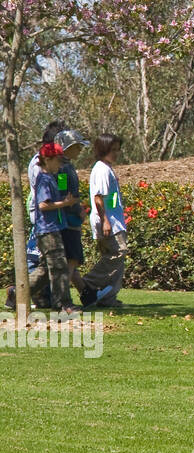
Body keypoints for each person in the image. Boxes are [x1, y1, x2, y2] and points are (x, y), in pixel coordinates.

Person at [26, 142, 80, 315]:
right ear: (47, 160)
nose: (60, 164)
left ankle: (18, 293)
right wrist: (65, 203)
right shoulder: (44, 179)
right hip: (47, 230)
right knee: (59, 267)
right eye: (58, 161)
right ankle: (62, 305)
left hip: (54, 227)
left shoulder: (50, 177)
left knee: (44, 269)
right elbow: (43, 205)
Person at [81, 133, 128, 310]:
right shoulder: (101, 169)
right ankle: (87, 283)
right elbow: (98, 198)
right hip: (110, 222)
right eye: (112, 150)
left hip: (116, 220)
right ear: (103, 150)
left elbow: (111, 198)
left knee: (118, 260)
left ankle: (108, 298)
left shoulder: (107, 168)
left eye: (117, 150)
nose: (116, 153)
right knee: (116, 254)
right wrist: (106, 221)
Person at [52, 130, 90, 303]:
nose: (80, 149)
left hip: (67, 219)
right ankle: (62, 300)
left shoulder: (64, 166)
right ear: (66, 148)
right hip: (69, 221)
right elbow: (64, 194)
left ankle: (87, 295)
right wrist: (78, 210)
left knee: (71, 262)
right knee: (72, 260)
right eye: (76, 146)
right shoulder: (63, 169)